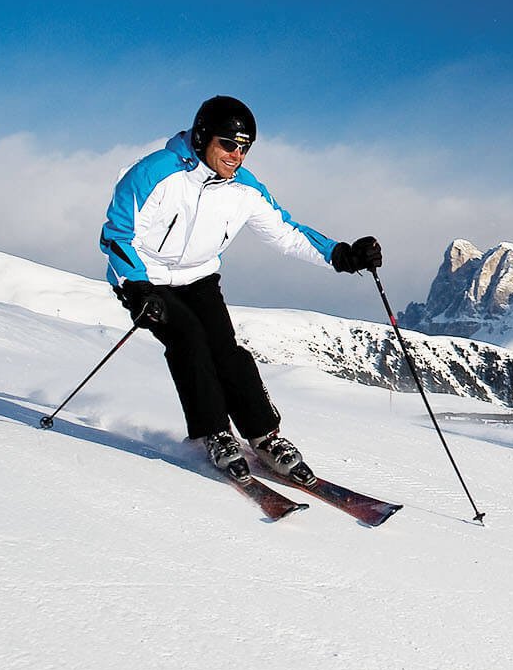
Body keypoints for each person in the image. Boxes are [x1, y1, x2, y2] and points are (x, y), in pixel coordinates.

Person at [99, 95, 382, 485]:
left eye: (244, 147)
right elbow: (117, 235)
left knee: (226, 352)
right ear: (202, 137)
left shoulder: (244, 189)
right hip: (146, 279)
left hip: (198, 277)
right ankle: (212, 432)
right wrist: (137, 288)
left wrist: (341, 255)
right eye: (228, 144)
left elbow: (286, 232)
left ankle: (265, 436)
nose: (237, 155)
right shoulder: (154, 174)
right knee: (189, 340)